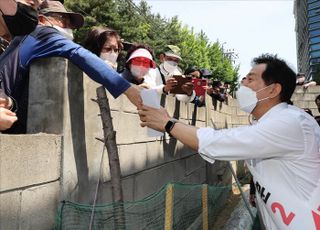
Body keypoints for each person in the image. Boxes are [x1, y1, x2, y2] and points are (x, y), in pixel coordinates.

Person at [138, 54, 320, 229]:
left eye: (250, 79)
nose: (242, 83)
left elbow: (219, 141)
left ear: (273, 89)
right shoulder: (268, 121)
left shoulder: (289, 122)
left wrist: (168, 124)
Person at [0, 0, 141, 134]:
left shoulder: (22, 38)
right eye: (62, 19)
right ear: (41, 20)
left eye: (70, 23)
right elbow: (79, 54)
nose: (68, 26)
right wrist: (127, 89)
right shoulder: (44, 34)